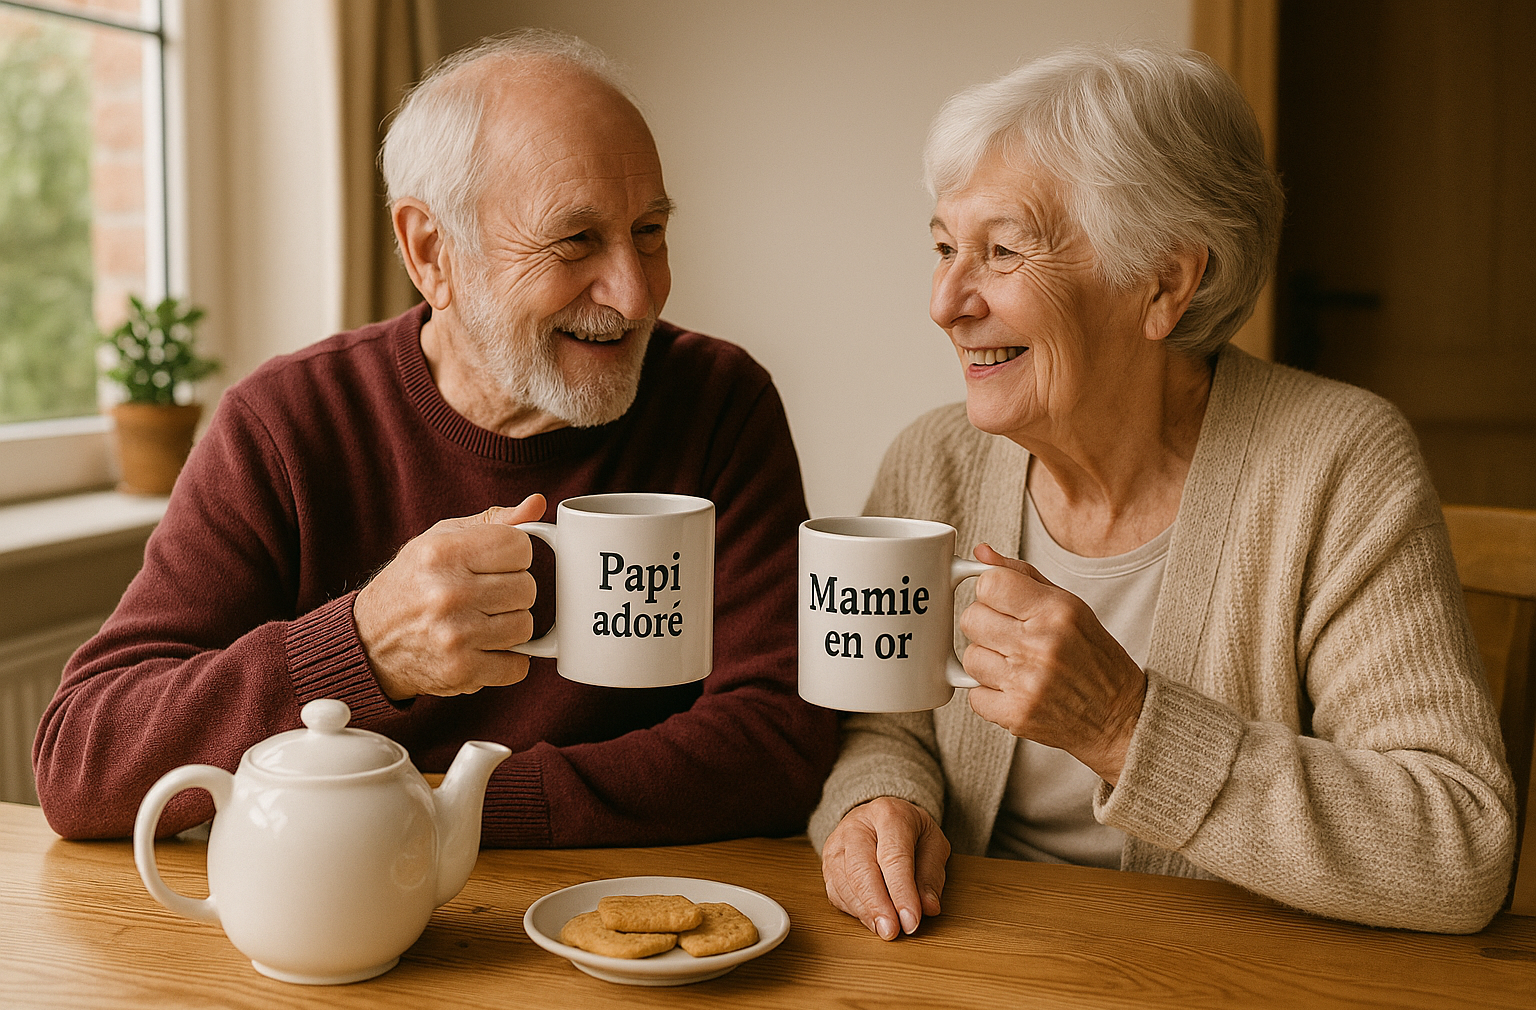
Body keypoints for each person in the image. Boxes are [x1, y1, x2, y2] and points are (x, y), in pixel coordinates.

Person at [34, 30, 838, 846]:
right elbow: (81, 765)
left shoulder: (719, 401)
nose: (634, 296)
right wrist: (362, 644)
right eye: (576, 240)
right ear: (432, 251)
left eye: (652, 231)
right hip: (350, 918)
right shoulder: (285, 424)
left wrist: (458, 810)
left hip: (625, 918)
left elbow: (780, 732)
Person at [811, 44, 1515, 936]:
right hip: (973, 961)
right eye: (946, 247)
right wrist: (881, 804)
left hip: (1225, 976)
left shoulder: (1333, 464)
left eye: (1002, 252)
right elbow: (886, 726)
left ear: (1166, 283)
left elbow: (1460, 846)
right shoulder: (933, 463)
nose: (946, 301)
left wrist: (1124, 723)